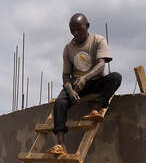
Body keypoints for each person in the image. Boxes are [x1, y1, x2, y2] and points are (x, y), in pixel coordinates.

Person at [49, 12, 122, 155]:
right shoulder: (68, 48)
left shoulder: (98, 40)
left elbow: (101, 65)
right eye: (72, 30)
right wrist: (70, 91)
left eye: (79, 29)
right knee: (59, 103)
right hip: (76, 86)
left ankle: (96, 108)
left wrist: (85, 78)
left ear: (87, 26)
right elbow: (65, 75)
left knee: (116, 77)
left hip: (95, 81)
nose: (75, 33)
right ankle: (60, 144)